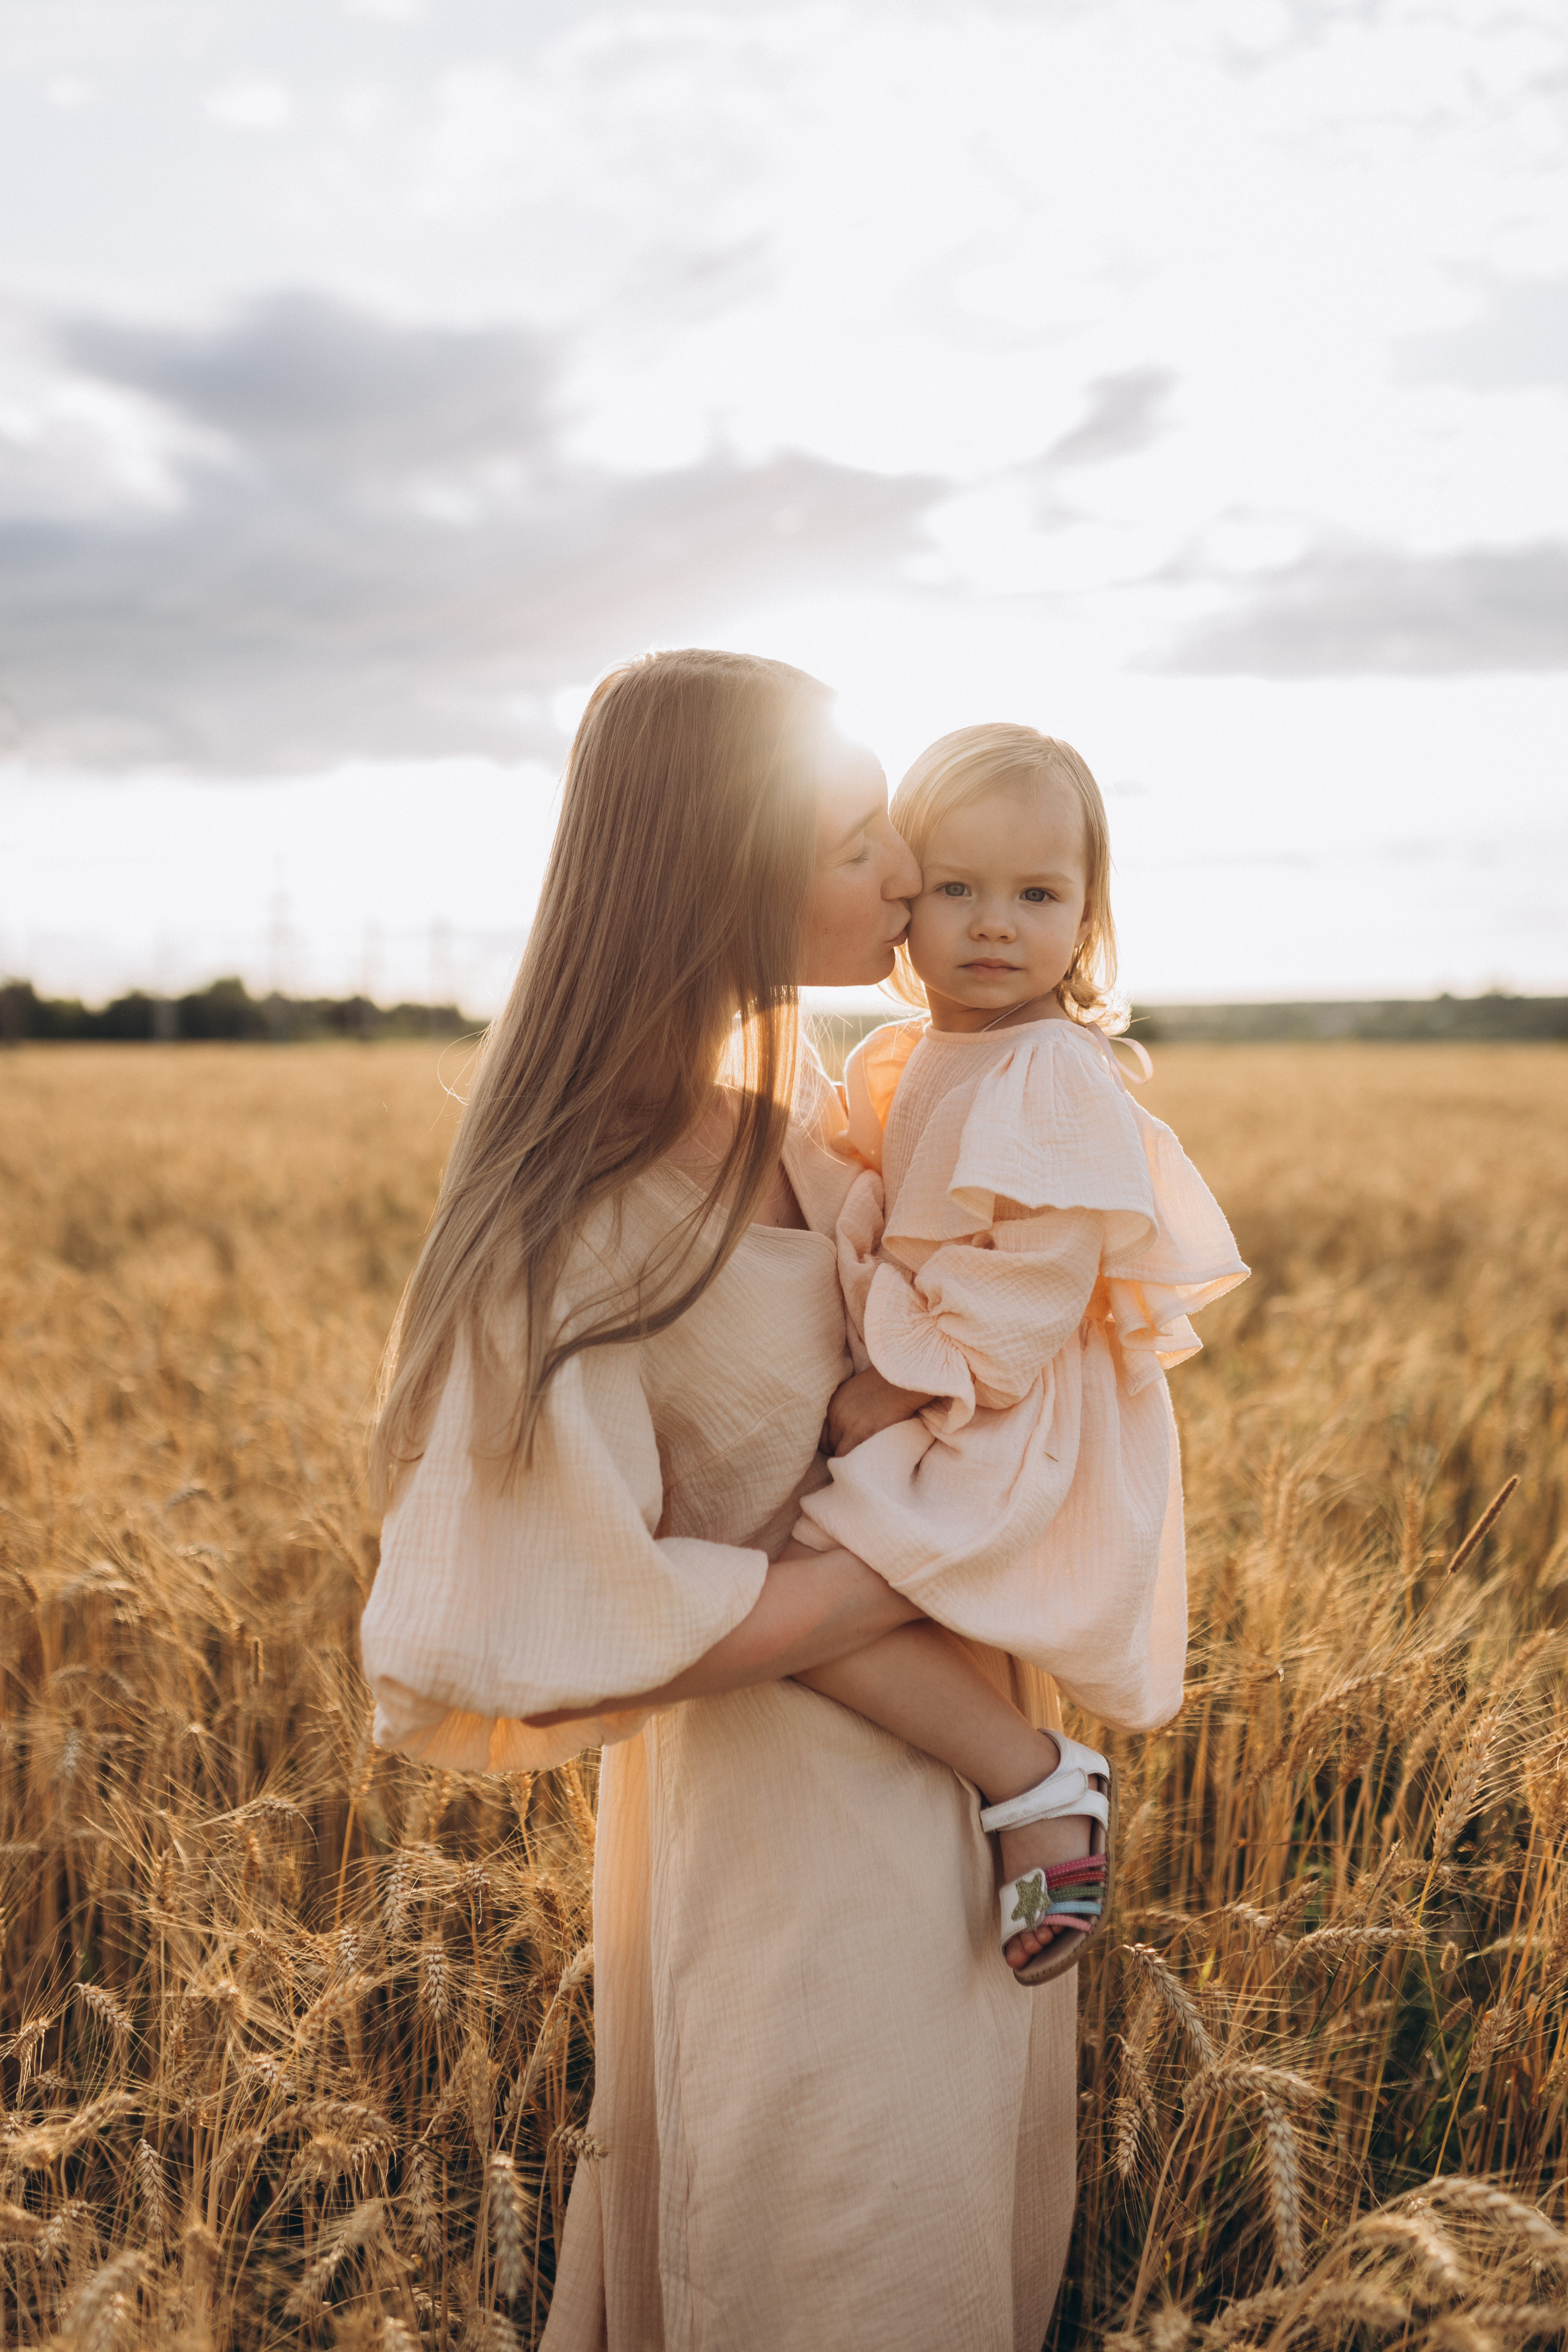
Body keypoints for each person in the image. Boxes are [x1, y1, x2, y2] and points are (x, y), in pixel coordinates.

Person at [359, 653, 1114, 2351]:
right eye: (863, 843)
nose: (910, 881)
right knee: (833, 2271)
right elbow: (536, 1613)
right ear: (725, 871)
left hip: (981, 1819)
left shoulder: (800, 1122)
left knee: (973, 2255)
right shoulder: (587, 1202)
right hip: (799, 1855)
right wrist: (890, 1579)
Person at [786, 723, 1250, 1984]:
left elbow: (1033, 1284)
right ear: (900, 902)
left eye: (1036, 895)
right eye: (956, 890)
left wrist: (901, 1379)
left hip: (1002, 1396)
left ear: (1086, 918)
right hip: (949, 1367)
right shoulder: (905, 1055)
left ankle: (1030, 1777)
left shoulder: (1048, 1067)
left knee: (796, 1581)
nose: (994, 925)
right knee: (803, 1573)